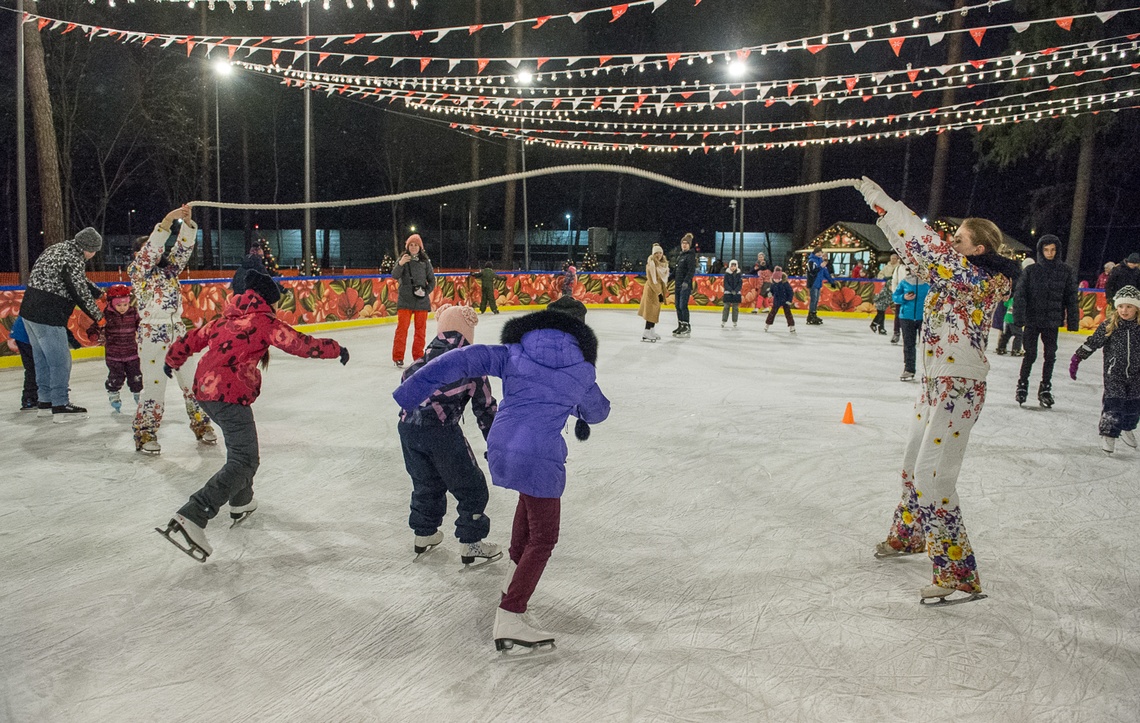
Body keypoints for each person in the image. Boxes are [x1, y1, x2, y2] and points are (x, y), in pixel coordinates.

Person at [393, 296, 609, 652]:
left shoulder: (514, 350)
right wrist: (574, 402)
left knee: (529, 504)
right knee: (544, 538)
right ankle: (511, 614)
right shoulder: (583, 370)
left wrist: (410, 390)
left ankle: (512, 581)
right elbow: (597, 412)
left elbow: (459, 359)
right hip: (539, 454)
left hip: (502, 445)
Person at [857, 176, 1020, 604]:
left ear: (977, 249)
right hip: (933, 384)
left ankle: (958, 573)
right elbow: (913, 249)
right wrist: (879, 210)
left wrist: (885, 200)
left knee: (934, 476)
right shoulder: (951, 274)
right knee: (914, 466)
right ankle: (909, 536)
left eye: (960, 238)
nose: (952, 241)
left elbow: (927, 245)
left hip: (960, 388)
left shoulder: (976, 281)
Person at [157, 269, 349, 562]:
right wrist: (336, 349)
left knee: (241, 452)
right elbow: (299, 343)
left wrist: (173, 358)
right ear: (268, 301)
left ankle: (241, 501)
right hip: (229, 395)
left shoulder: (226, 317)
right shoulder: (262, 321)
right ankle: (193, 515)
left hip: (204, 392)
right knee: (245, 459)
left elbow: (194, 338)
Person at [399, 304, 500, 565]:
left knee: (425, 482)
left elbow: (406, 389)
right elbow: (486, 409)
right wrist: (498, 445)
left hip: (408, 428)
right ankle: (471, 543)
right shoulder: (471, 363)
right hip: (440, 432)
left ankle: (424, 533)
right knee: (472, 486)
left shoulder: (421, 359)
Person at [130, 206, 215, 454]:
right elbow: (150, 251)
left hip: (177, 332)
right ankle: (145, 433)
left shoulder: (170, 271)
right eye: (151, 249)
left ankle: (201, 424)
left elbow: (183, 249)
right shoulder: (137, 272)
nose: (158, 252)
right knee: (155, 385)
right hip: (152, 334)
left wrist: (187, 225)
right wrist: (167, 221)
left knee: (192, 381)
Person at [19, 227, 104, 421]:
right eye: (94, 251)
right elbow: (78, 290)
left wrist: (99, 293)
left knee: (41, 359)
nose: (93, 255)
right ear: (87, 248)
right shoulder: (73, 258)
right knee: (60, 361)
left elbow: (79, 280)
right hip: (48, 313)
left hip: (29, 311)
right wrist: (99, 316)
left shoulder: (59, 249)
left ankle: (45, 402)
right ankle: (60, 404)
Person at [1012, 234, 1080, 408]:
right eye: (1046, 250)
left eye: (1053, 250)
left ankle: (1045, 388)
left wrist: (1073, 321)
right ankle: (1022, 384)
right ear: (1041, 251)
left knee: (1050, 355)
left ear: (1057, 251)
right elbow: (1020, 296)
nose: (1049, 253)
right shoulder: (1031, 271)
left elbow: (1071, 297)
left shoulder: (1065, 271)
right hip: (1032, 320)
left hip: (1051, 321)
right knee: (1030, 354)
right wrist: (1019, 318)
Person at [1070, 285, 1140, 454]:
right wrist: (1077, 358)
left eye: (1129, 306)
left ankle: (1127, 428)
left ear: (1137, 308)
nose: (1124, 310)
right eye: (1121, 306)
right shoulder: (1110, 325)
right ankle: (1109, 436)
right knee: (1113, 405)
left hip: (1137, 375)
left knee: (1133, 406)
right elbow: (1093, 342)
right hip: (1114, 373)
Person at [89, 284, 142, 414]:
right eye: (119, 305)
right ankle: (113, 394)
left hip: (132, 353)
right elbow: (95, 325)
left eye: (125, 304)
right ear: (112, 304)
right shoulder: (106, 315)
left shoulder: (133, 313)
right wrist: (93, 333)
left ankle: (139, 396)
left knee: (136, 376)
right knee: (116, 377)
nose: (123, 308)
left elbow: (141, 326)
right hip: (114, 355)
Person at [392, 234, 435, 368]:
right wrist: (400, 264)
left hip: (421, 301)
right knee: (402, 329)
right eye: (411, 244)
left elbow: (432, 280)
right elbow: (394, 275)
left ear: (420, 247)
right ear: (407, 247)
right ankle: (398, 357)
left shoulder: (425, 262)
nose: (414, 247)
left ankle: (418, 356)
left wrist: (425, 291)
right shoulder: (403, 260)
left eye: (416, 245)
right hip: (405, 300)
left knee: (420, 331)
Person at [892, 272, 929, 382]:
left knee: (927, 346)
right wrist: (904, 297)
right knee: (908, 344)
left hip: (924, 318)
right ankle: (909, 369)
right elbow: (895, 297)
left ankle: (928, 371)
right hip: (906, 317)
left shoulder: (928, 283)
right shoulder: (905, 281)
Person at [638, 244, 670, 342]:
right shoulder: (651, 264)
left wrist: (662, 292)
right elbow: (652, 280)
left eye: (660, 253)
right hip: (652, 290)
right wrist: (659, 293)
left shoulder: (663, 264)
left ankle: (651, 330)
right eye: (656, 253)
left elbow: (662, 280)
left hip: (658, 290)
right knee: (650, 311)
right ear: (653, 254)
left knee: (655, 311)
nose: (658, 255)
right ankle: (646, 332)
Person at [7, 316, 37, 411]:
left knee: (33, 367)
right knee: (34, 367)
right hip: (25, 335)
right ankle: (30, 398)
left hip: (22, 333)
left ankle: (31, 398)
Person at [672, 233, 696, 337]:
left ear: (689, 245)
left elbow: (691, 271)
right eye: (683, 243)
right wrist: (667, 279)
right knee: (677, 306)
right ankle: (680, 324)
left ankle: (686, 326)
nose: (684, 245)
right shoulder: (680, 256)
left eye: (686, 243)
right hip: (677, 285)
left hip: (684, 286)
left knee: (683, 305)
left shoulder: (690, 256)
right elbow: (676, 272)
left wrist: (686, 282)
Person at [805, 250, 837, 325]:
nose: (820, 254)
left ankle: (814, 315)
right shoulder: (812, 261)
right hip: (813, 283)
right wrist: (820, 267)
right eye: (819, 253)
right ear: (815, 253)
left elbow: (826, 273)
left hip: (818, 284)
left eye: (821, 253)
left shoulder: (821, 262)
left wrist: (832, 282)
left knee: (816, 300)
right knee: (813, 300)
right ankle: (811, 316)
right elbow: (812, 272)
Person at [763, 267, 796, 333]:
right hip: (777, 300)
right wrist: (769, 293)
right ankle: (767, 325)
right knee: (772, 313)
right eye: (775, 279)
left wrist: (789, 300)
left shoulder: (785, 284)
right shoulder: (773, 284)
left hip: (785, 300)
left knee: (788, 314)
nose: (776, 280)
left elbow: (790, 292)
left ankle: (792, 326)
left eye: (778, 279)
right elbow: (771, 291)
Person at [721, 260, 743, 329]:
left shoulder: (739, 274)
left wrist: (736, 291)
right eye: (732, 266)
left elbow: (740, 284)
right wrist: (730, 290)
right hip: (728, 293)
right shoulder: (727, 274)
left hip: (736, 294)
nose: (733, 268)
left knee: (735, 308)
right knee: (726, 307)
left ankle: (735, 321)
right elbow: (725, 284)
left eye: (734, 266)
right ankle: (724, 321)